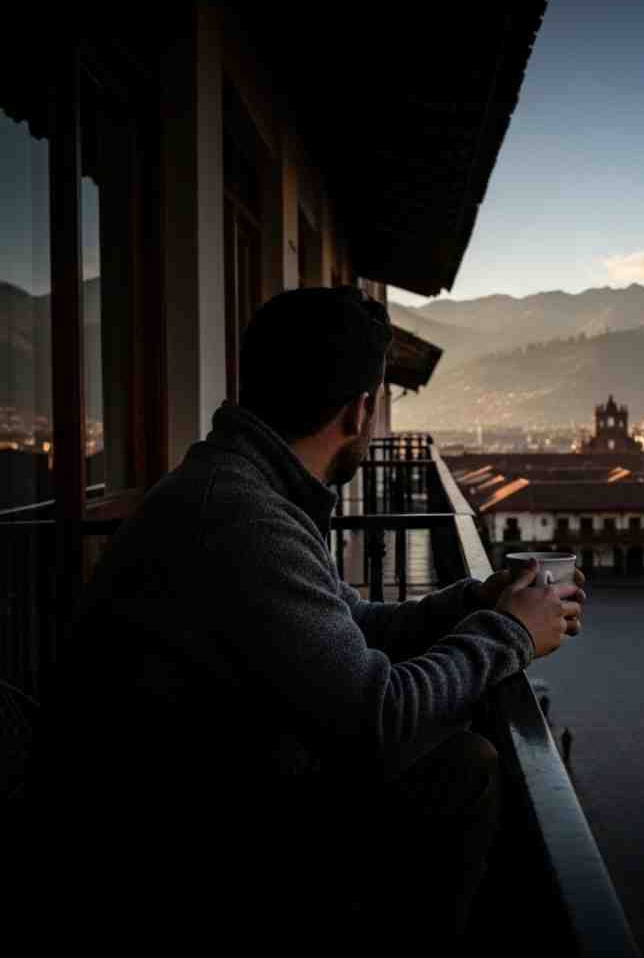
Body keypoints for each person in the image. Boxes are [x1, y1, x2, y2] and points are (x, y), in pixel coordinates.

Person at [34, 287, 585, 948]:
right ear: (357, 411)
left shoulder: (243, 486)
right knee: (461, 769)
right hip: (158, 856)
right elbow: (378, 719)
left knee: (454, 764)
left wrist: (473, 600)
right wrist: (512, 632)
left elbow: (350, 623)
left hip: (178, 794)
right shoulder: (241, 516)